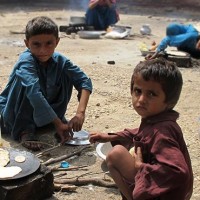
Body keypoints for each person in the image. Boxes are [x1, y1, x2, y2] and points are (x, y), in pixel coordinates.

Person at [89, 58, 193, 200]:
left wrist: (141, 166)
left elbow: (178, 172)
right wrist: (111, 136)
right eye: (138, 91)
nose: (142, 99)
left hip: (170, 193)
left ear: (169, 101)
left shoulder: (163, 132)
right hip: (173, 191)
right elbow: (141, 133)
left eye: (151, 94)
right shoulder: (157, 120)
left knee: (116, 155)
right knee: (118, 151)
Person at [0, 16, 92, 151]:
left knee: (66, 73)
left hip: (46, 114)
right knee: (28, 85)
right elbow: (34, 93)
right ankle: (24, 130)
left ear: (57, 42)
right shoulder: (26, 60)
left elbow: (84, 81)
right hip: (15, 114)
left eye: (49, 43)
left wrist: (80, 113)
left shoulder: (61, 60)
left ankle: (52, 119)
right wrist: (58, 124)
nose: (43, 50)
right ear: (27, 44)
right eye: (36, 44)